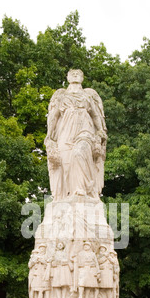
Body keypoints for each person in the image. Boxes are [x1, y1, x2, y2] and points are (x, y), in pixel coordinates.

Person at [45, 69, 107, 200]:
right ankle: (67, 194)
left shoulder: (88, 95)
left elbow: (95, 115)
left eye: (78, 73)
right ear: (67, 78)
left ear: (82, 78)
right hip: (65, 131)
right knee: (65, 163)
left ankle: (82, 190)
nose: (75, 75)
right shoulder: (61, 96)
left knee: (80, 153)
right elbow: (54, 116)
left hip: (85, 129)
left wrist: (100, 130)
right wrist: (49, 135)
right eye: (72, 73)